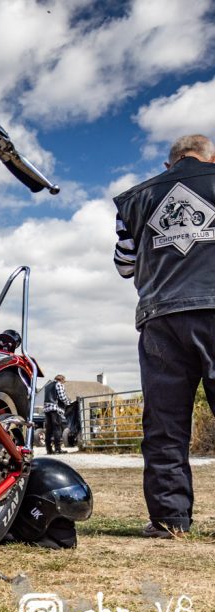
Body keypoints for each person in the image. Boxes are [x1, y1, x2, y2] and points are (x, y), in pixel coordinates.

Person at [112, 133, 215, 539]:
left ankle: (170, 520)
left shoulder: (136, 198)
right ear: (211, 159)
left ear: (168, 165)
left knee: (165, 423)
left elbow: (124, 265)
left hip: (162, 316)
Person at [42, 374, 72, 454]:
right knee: (57, 428)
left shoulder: (47, 386)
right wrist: (69, 402)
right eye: (64, 381)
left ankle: (49, 449)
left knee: (48, 430)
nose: (64, 383)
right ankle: (58, 449)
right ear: (61, 379)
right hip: (55, 409)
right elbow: (62, 397)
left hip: (47, 409)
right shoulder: (58, 384)